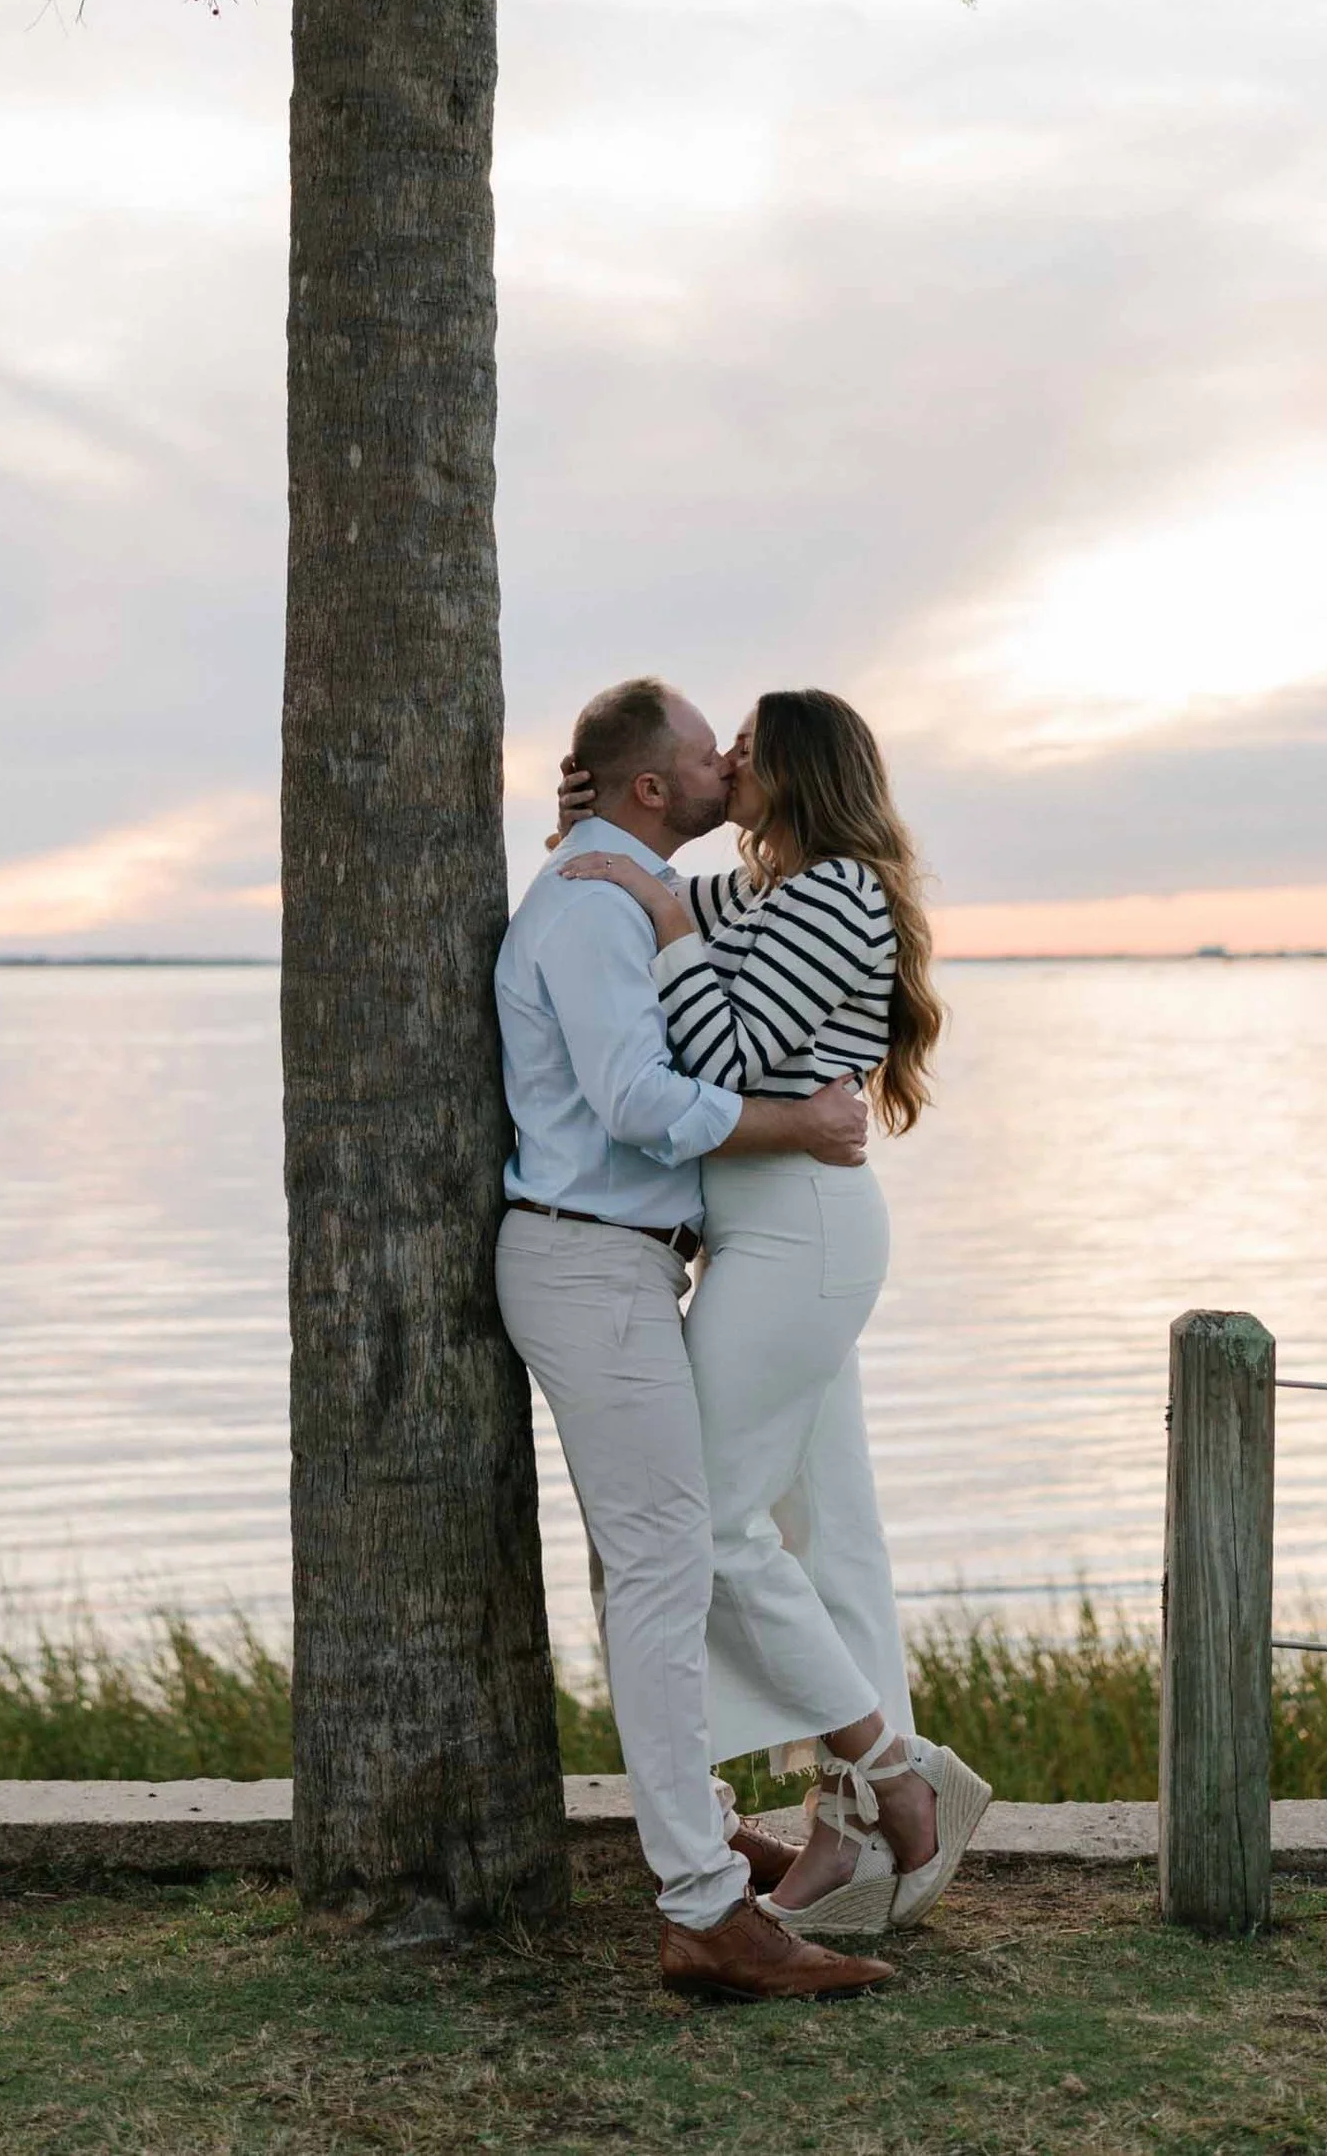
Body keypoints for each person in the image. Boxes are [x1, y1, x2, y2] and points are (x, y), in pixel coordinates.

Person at [555, 687, 991, 1937]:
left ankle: (894, 1776)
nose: (728, 760)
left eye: (746, 745)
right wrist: (593, 827)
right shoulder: (766, 890)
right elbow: (639, 887)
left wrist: (660, 919)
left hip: (799, 1229)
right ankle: (852, 1829)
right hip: (769, 1229)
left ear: (797, 769)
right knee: (825, 1534)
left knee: (706, 1524)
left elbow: (725, 1055)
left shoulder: (837, 891)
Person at [494, 676, 896, 2001]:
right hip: (595, 1257)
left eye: (747, 747)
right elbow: (636, 1094)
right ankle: (715, 1893)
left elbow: (707, 944)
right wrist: (797, 1123)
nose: (731, 759)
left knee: (678, 1557)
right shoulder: (601, 901)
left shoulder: (644, 886)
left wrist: (596, 831)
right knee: (673, 1562)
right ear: (656, 785)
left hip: (635, 1257)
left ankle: (712, 1842)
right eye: (708, 747)